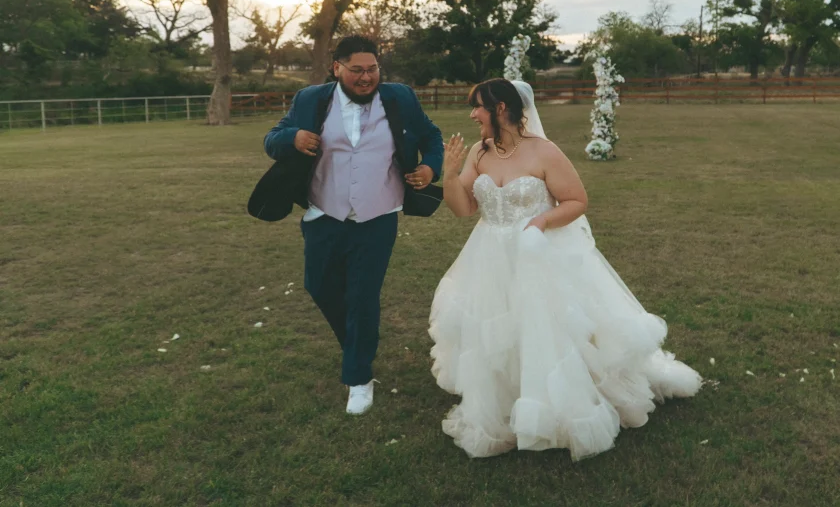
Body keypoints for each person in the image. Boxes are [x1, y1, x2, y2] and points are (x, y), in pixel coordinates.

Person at [429, 78, 702, 461]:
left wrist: (540, 223)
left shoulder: (544, 152)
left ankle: (556, 402)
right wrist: (451, 173)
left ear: (501, 109)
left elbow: (576, 200)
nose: (472, 114)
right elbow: (464, 209)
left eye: (477, 106)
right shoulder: (479, 152)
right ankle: (506, 395)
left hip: (539, 255)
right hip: (489, 256)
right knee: (497, 330)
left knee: (546, 329)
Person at [256, 35, 444, 415]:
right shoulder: (310, 99)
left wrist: (429, 167)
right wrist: (293, 137)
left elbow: (431, 137)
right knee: (318, 285)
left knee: (362, 295)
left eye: (372, 69)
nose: (366, 78)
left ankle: (358, 377)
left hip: (379, 215)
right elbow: (271, 139)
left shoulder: (400, 97)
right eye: (356, 70)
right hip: (324, 213)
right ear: (336, 68)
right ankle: (359, 345)